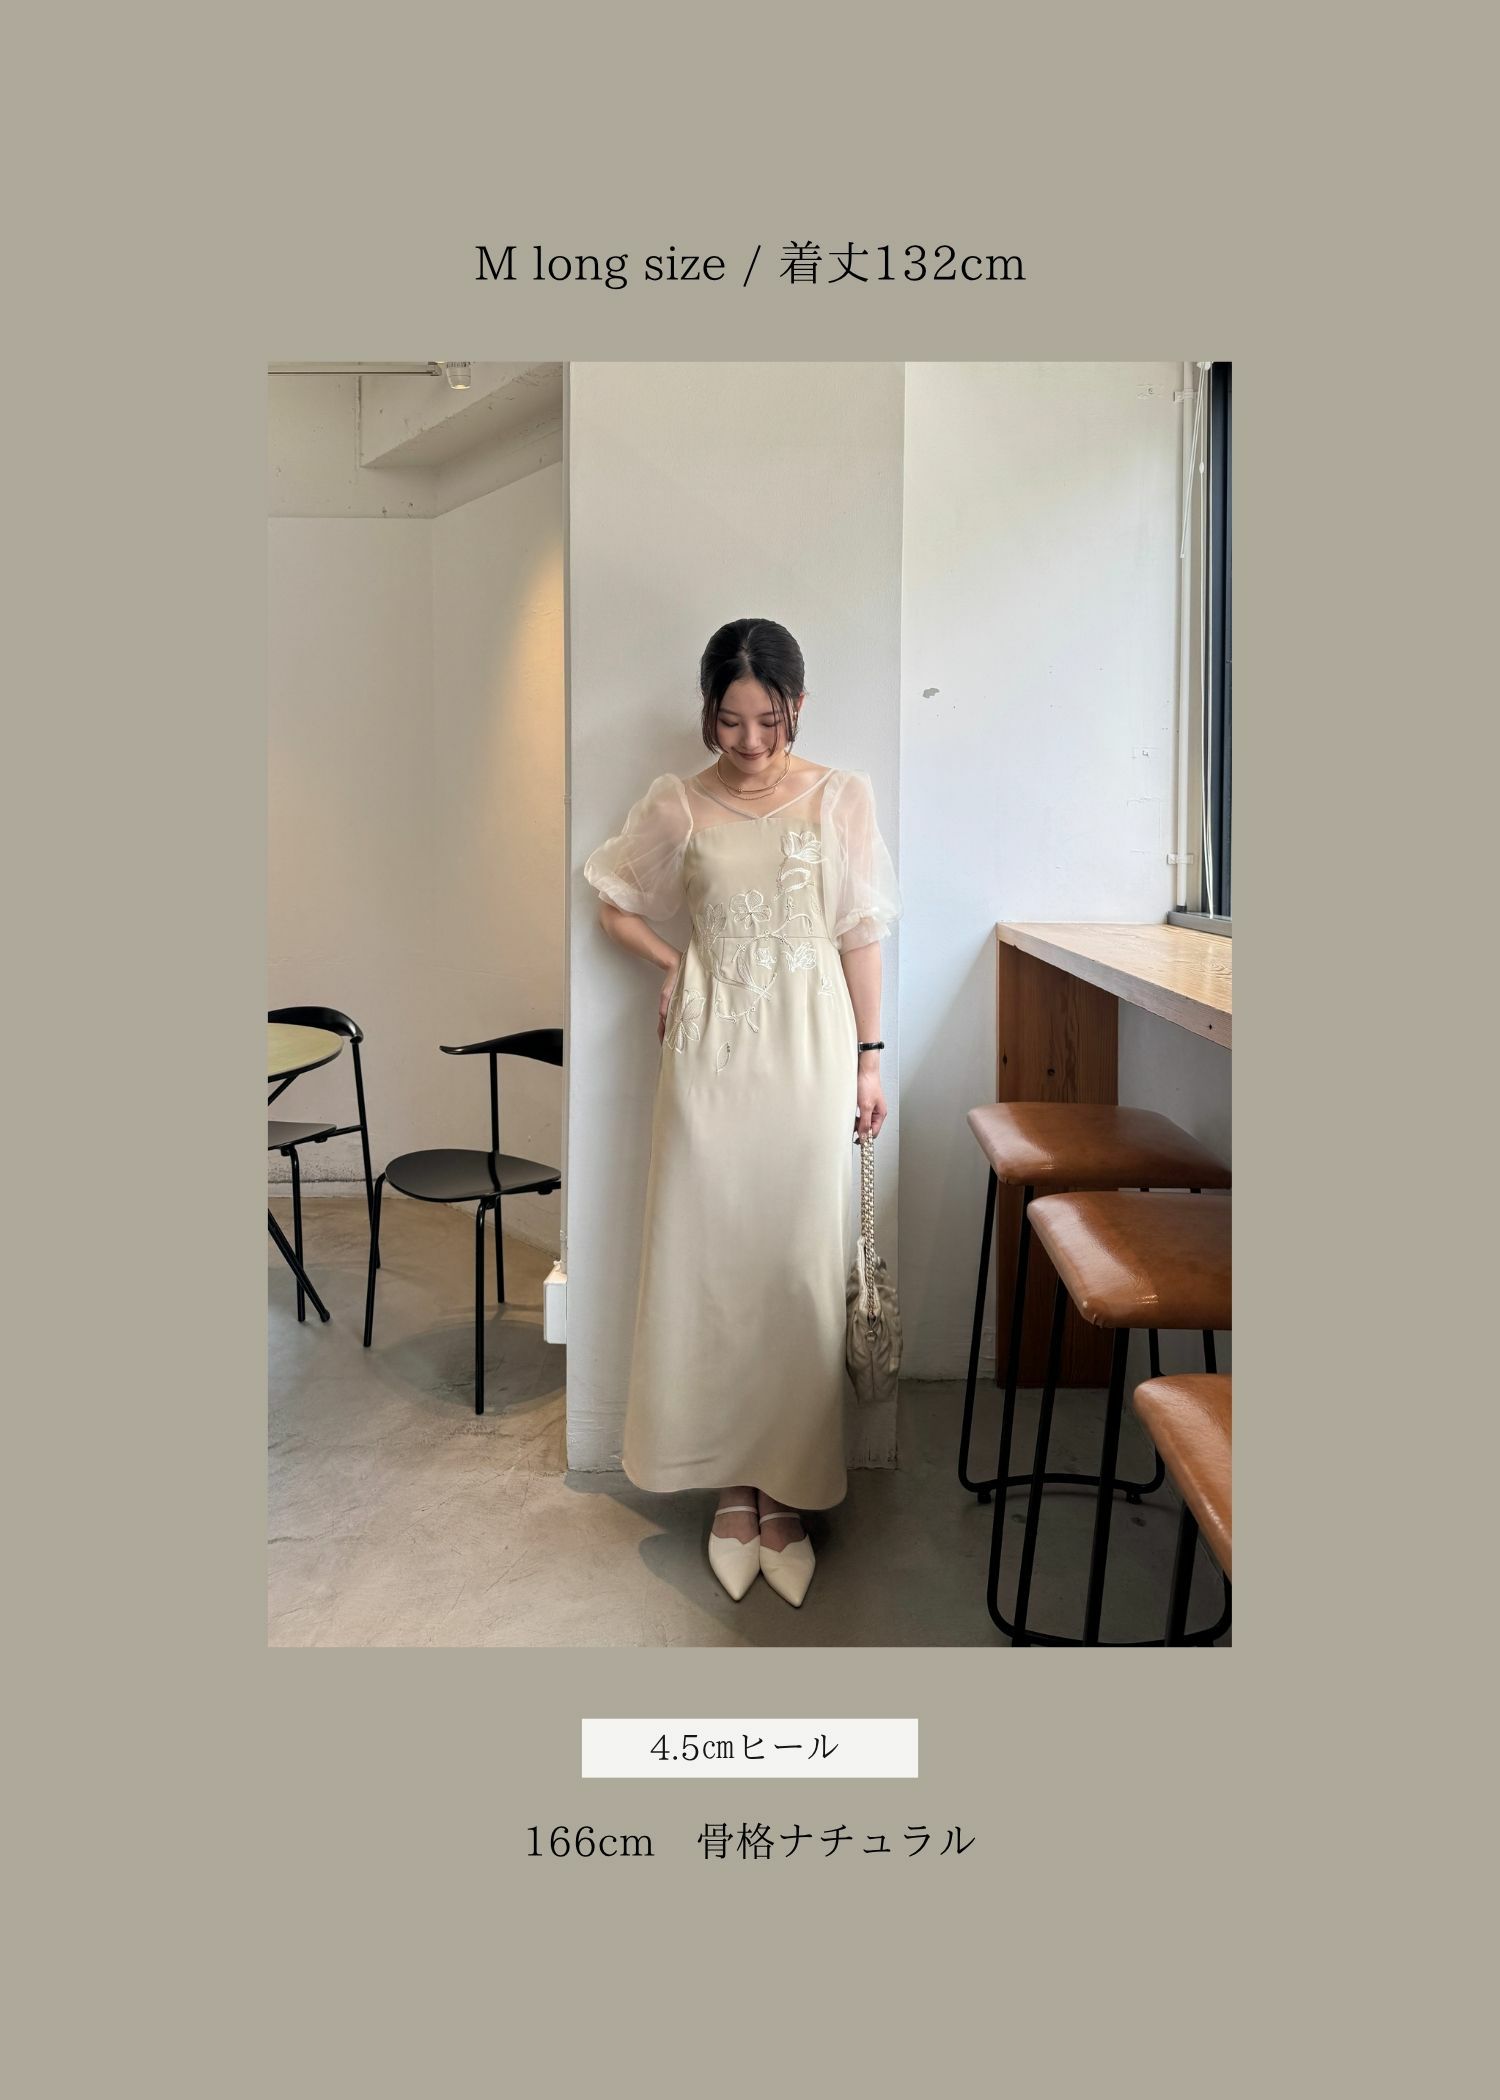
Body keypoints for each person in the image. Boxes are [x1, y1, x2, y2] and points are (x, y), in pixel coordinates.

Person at [583, 618, 900, 1606]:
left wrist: (870, 1060)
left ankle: (788, 1490)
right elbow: (612, 902)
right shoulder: (677, 803)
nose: (751, 741)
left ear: (798, 706)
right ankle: (730, 1487)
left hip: (811, 1055)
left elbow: (860, 934)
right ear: (708, 711)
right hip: (713, 1055)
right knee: (711, 1266)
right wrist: (674, 963)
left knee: (794, 1270)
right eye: (730, 720)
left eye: (769, 719)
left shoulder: (842, 797)